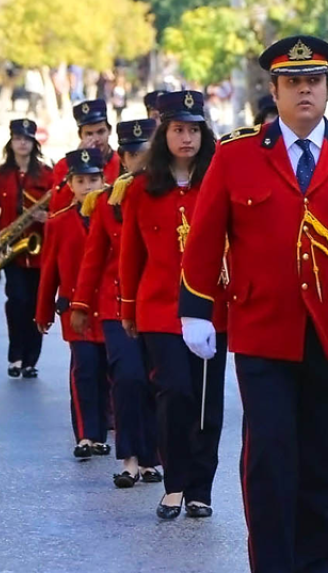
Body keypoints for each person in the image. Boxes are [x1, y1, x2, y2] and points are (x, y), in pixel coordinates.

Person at [177, 35, 328, 570]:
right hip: (264, 330)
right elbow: (206, 235)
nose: (304, 90)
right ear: (275, 90)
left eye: (313, 81)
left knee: (327, 461)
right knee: (270, 459)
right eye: (292, 83)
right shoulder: (237, 155)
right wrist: (196, 308)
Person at [120, 91, 226, 520]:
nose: (187, 138)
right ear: (164, 134)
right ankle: (174, 484)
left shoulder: (220, 181)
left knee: (206, 401)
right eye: (179, 130)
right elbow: (131, 253)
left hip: (212, 308)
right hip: (159, 308)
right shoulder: (141, 189)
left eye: (194, 130)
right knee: (174, 393)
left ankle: (201, 489)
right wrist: (127, 307)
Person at [72, 119, 161, 488]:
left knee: (154, 382)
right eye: (132, 154)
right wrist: (79, 305)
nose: (139, 159)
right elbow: (93, 258)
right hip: (115, 306)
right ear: (122, 158)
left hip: (156, 304)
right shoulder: (106, 203)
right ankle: (128, 457)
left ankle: (151, 458)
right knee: (127, 379)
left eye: (145, 152)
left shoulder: (164, 194)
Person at [37, 147, 110, 459]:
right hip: (74, 311)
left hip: (107, 307)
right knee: (83, 371)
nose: (88, 186)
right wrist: (43, 311)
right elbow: (49, 269)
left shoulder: (113, 213)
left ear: (105, 179)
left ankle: (102, 432)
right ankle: (85, 435)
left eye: (94, 179)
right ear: (70, 184)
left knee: (107, 371)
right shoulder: (59, 222)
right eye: (81, 180)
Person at [0, 119, 55, 378]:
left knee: (36, 304)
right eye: (17, 138)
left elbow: (58, 210)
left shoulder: (47, 175)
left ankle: (31, 360)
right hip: (10, 249)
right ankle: (15, 355)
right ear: (10, 142)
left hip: (39, 251)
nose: (22, 143)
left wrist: (49, 219)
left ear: (34, 143)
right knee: (17, 301)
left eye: (27, 139)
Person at [52, 99, 122, 209]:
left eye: (100, 132)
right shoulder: (64, 165)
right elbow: (57, 206)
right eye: (89, 134)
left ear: (109, 131)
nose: (96, 139)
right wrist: (76, 166)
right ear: (80, 136)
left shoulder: (122, 161)